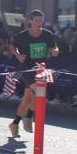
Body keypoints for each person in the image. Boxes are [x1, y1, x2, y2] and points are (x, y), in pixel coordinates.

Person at [7, 10, 59, 139]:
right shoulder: (23, 35)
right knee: (39, 91)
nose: (39, 23)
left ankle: (15, 123)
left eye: (41, 21)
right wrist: (18, 55)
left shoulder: (47, 34)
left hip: (40, 69)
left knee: (28, 99)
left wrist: (55, 51)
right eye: (37, 21)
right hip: (26, 68)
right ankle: (29, 117)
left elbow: (54, 47)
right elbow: (13, 46)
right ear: (31, 21)